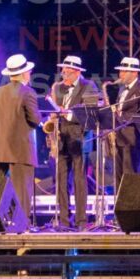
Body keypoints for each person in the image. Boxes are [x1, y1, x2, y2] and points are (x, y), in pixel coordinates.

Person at [48, 55, 101, 230]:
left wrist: (68, 114)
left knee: (80, 181)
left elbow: (90, 113)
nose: (63, 74)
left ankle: (81, 221)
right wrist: (54, 115)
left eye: (67, 71)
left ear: (77, 72)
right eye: (63, 70)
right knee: (61, 180)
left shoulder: (89, 86)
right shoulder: (58, 88)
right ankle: (64, 220)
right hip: (62, 138)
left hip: (80, 138)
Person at [0, 54, 40, 225]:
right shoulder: (28, 92)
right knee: (22, 190)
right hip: (20, 150)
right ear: (25, 74)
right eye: (29, 72)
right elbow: (35, 120)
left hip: (0, 148)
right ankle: (22, 226)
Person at [111, 57, 140, 188]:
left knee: (129, 175)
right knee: (118, 175)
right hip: (119, 136)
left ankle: (129, 207)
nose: (120, 74)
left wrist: (120, 115)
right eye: (120, 71)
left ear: (134, 73)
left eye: (124, 71)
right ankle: (118, 207)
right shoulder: (122, 88)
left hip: (132, 139)